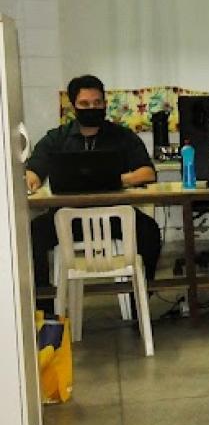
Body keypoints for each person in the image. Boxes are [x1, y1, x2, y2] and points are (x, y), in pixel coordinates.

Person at [26, 75, 161, 305]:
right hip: (67, 220)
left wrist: (119, 179)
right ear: (73, 106)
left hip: (114, 218)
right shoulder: (56, 138)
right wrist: (31, 179)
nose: (93, 108)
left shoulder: (122, 136)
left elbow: (148, 172)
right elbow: (33, 171)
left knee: (150, 232)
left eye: (98, 103)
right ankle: (45, 305)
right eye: (85, 104)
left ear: (105, 103)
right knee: (32, 234)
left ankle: (139, 299)